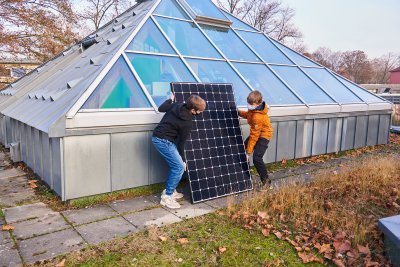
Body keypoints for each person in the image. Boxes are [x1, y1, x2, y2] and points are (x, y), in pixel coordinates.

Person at [152, 93, 206, 209]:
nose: (200, 113)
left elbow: (161, 108)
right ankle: (167, 197)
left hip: (160, 137)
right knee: (179, 167)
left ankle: (170, 190)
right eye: (199, 111)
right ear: (192, 109)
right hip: (163, 141)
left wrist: (170, 100)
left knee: (176, 166)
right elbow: (181, 143)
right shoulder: (187, 122)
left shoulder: (177, 105)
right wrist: (184, 160)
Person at [238, 90, 273, 189]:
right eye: (248, 103)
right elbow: (249, 115)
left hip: (264, 135)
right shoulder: (254, 109)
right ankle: (245, 177)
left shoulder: (258, 116)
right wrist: (238, 112)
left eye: (251, 104)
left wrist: (248, 153)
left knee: (257, 158)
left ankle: (266, 183)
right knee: (242, 149)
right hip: (257, 133)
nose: (249, 105)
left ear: (258, 103)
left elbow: (254, 136)